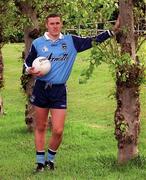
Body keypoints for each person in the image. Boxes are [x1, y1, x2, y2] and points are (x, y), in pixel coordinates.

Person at [24, 13, 120, 172]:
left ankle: (51, 159)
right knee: (40, 126)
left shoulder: (70, 41)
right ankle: (40, 163)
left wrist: (112, 31)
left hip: (59, 90)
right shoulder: (38, 43)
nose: (55, 26)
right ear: (46, 25)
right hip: (41, 88)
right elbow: (26, 64)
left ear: (61, 24)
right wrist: (31, 71)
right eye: (52, 23)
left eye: (58, 23)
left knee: (58, 130)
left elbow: (92, 41)